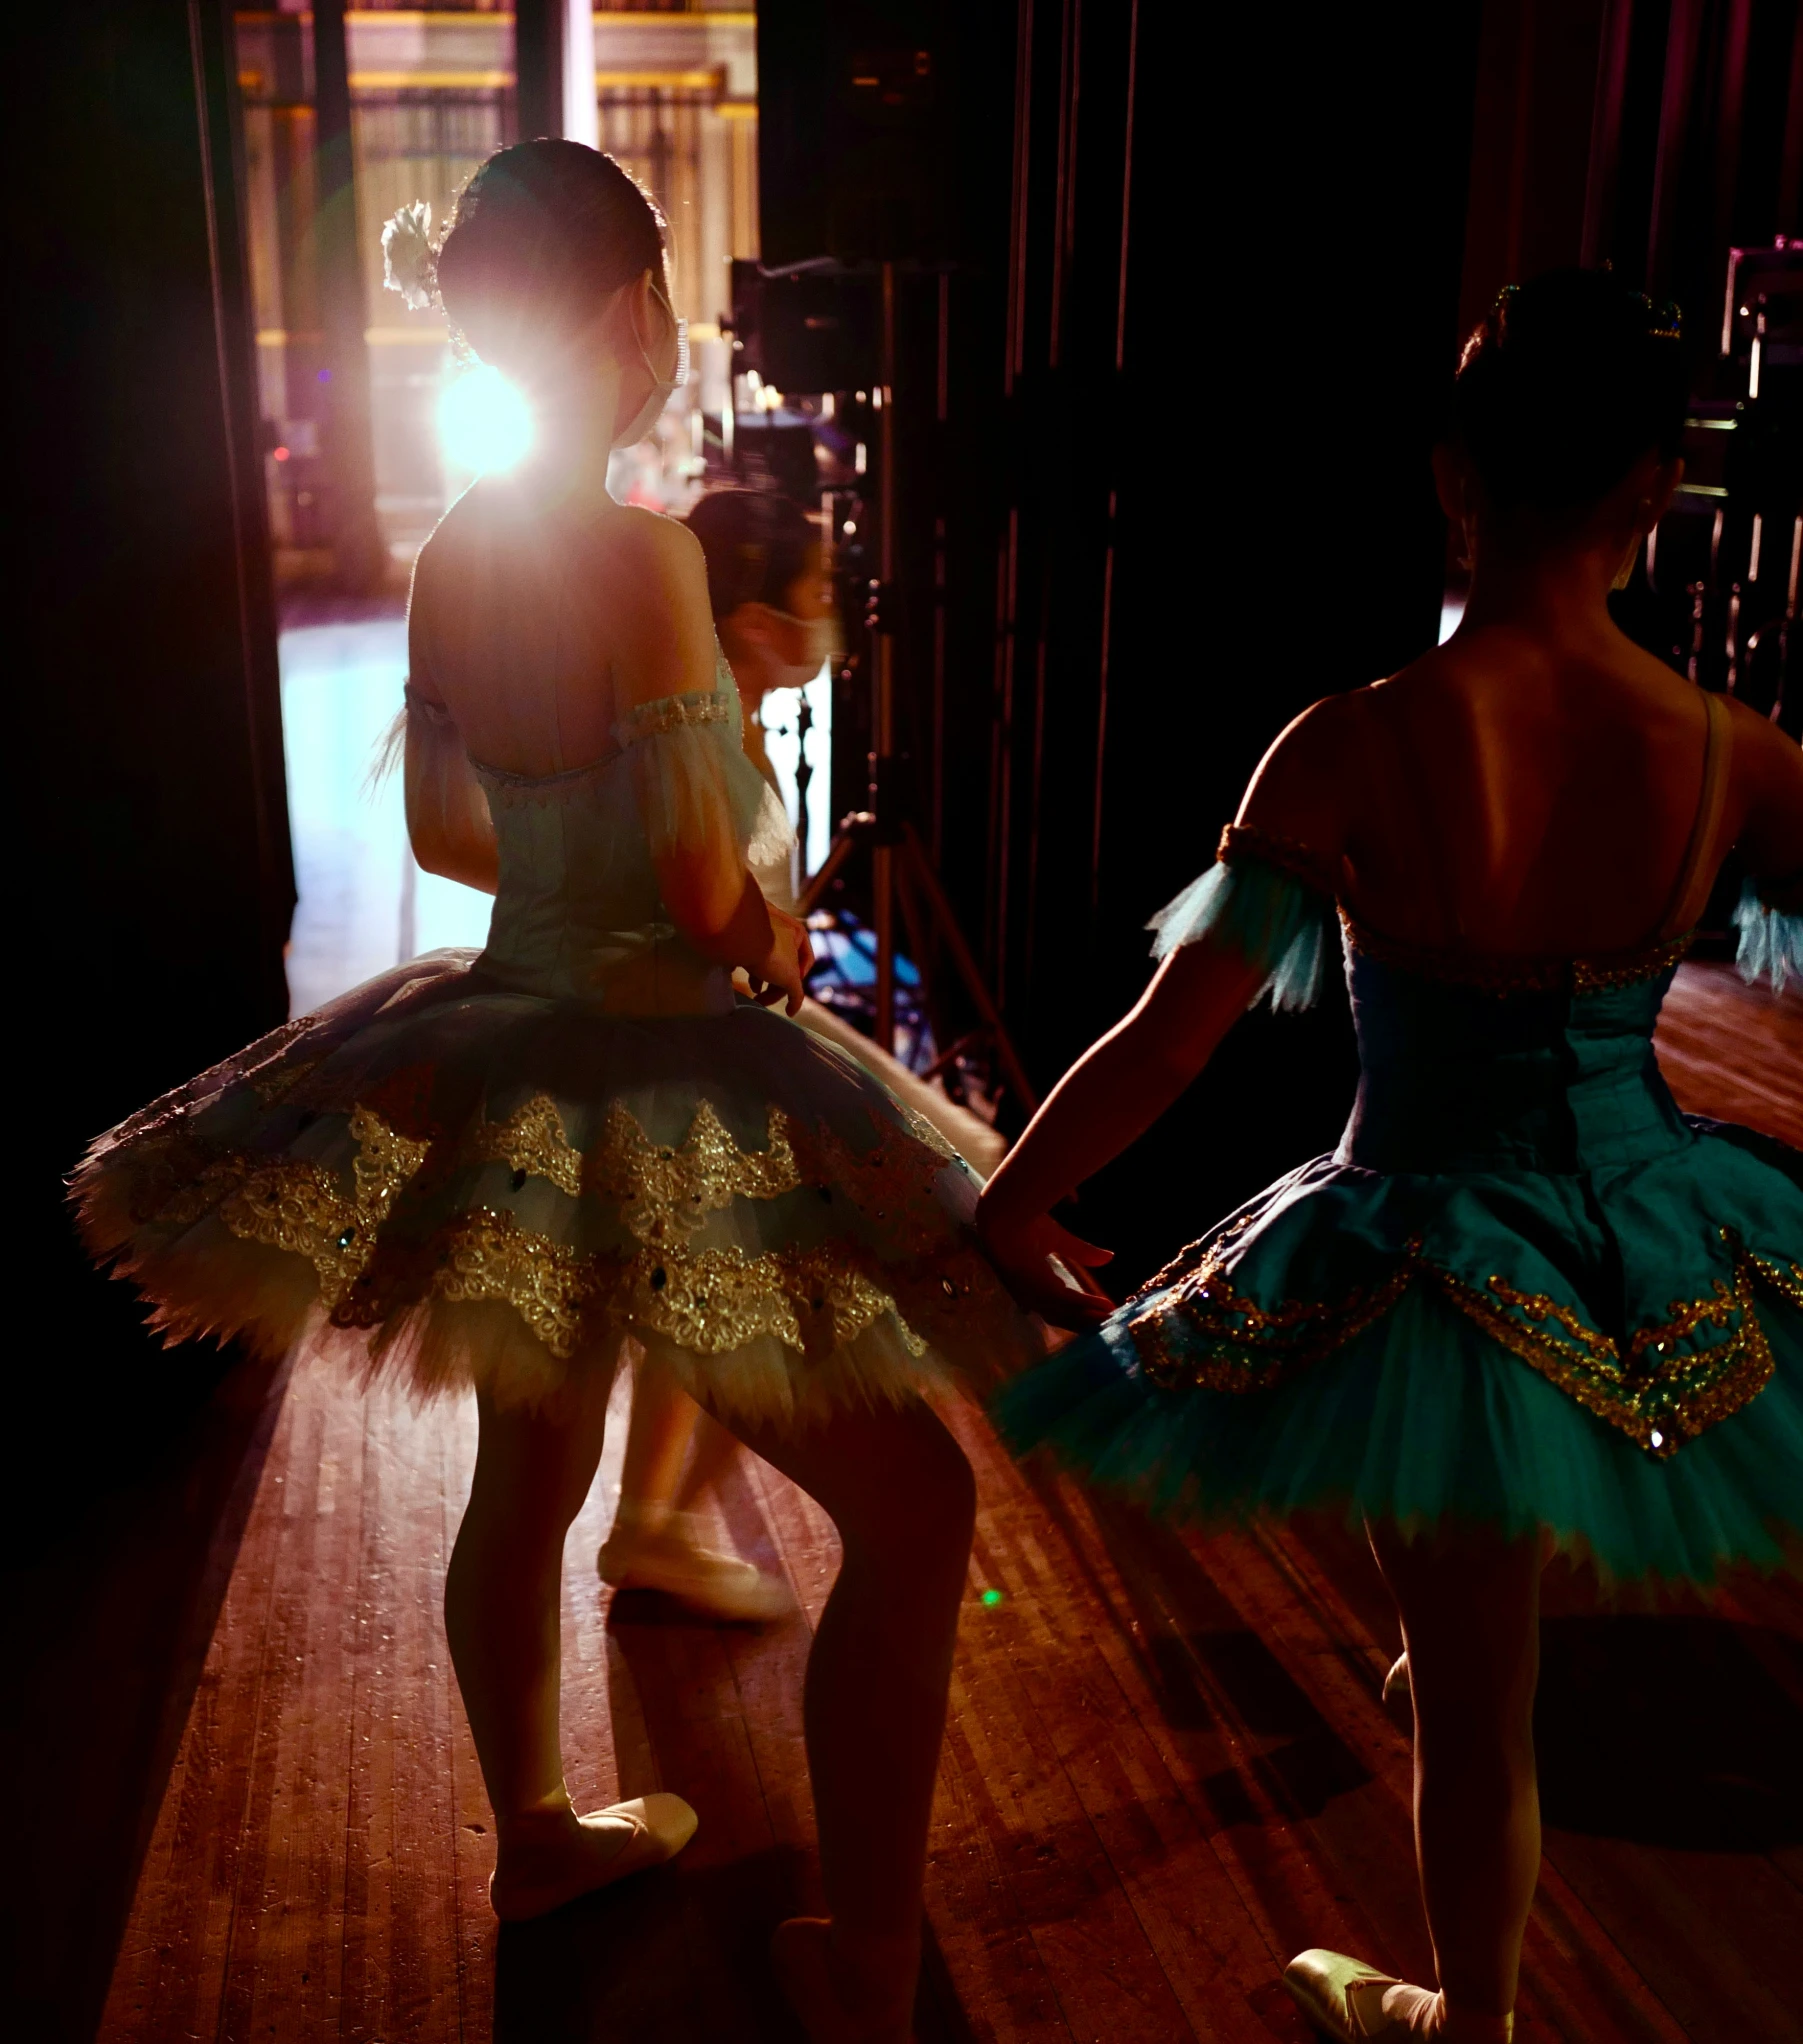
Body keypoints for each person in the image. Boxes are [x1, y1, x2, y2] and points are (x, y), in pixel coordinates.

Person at [74, 142, 1034, 2043]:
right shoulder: (644, 553)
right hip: (670, 1062)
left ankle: (533, 1826)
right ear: (621, 320)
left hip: (507, 1039)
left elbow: (447, 829)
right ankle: (855, 1954)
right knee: (912, 1507)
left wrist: (579, 853)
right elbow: (700, 888)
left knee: (529, 1465)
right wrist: (768, 921)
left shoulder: (451, 557)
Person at [975, 270, 1803, 2044]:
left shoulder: (1345, 742)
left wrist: (1014, 1192)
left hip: (1421, 1228)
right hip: (1638, 1224)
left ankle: (1471, 2018)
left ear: (1451, 477)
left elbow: (1169, 1040)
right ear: (1652, 497)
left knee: (1471, 1697)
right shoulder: (1739, 755)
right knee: (1479, 1593)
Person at [598, 486, 1005, 1623]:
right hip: (710, 1057)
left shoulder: (730, 721)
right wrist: (777, 939)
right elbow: (696, 904)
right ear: (754, 621)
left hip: (740, 1041)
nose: (836, 617)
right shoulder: (703, 732)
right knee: (762, 1302)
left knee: (721, 1300)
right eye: (819, 595)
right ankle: (655, 1521)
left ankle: (651, 1522)